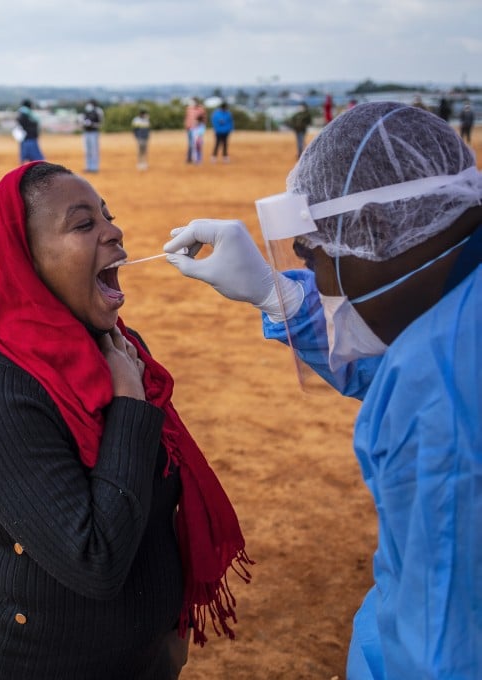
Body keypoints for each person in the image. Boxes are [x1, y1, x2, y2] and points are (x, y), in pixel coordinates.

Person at [162, 102, 481, 680]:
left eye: (312, 255)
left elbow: (442, 649)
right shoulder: (456, 316)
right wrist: (277, 297)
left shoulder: (439, 398)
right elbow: (388, 365)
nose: (317, 280)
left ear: (378, 232)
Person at [0, 160, 253, 679]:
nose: (115, 231)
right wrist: (128, 408)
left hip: (143, 655)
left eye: (107, 217)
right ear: (26, 262)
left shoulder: (120, 350)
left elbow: (150, 503)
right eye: (84, 224)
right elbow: (94, 560)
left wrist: (164, 634)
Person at [15, 99, 44, 163]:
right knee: (37, 160)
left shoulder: (22, 114)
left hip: (25, 139)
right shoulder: (26, 114)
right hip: (30, 138)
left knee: (25, 159)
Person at [80, 98, 103, 173]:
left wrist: (92, 124)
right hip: (86, 132)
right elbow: (82, 120)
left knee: (94, 150)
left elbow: (100, 123)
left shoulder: (98, 111)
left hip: (94, 133)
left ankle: (94, 167)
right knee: (87, 151)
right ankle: (88, 167)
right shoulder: (86, 111)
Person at [183, 97, 205, 163]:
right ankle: (190, 158)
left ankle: (198, 159)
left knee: (198, 145)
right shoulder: (189, 109)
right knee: (191, 144)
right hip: (190, 129)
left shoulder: (201, 109)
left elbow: (203, 118)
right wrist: (187, 126)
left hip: (198, 129)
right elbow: (186, 118)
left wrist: (202, 126)